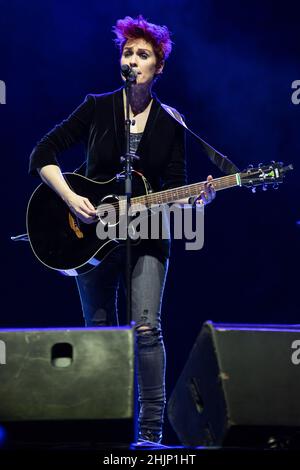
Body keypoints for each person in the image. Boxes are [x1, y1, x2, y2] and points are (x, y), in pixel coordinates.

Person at [29, 15, 216, 444]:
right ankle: (106, 431)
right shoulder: (97, 107)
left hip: (147, 236)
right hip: (89, 237)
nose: (133, 59)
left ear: (159, 67)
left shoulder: (172, 121)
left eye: (143, 54)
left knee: (147, 330)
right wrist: (69, 197)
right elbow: (44, 151)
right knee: (101, 335)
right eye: (128, 53)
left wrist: (196, 199)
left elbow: (174, 185)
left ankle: (149, 438)